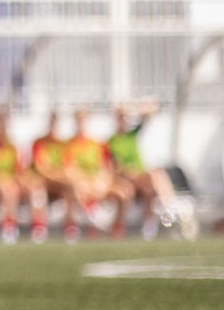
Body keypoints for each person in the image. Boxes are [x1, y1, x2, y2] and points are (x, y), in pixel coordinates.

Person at [0, 108, 47, 245]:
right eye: (0, 124)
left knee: (34, 188)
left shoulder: (13, 147)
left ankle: (38, 225)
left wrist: (28, 181)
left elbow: (20, 171)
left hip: (11, 184)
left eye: (5, 124)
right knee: (8, 190)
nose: (2, 128)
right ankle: (8, 226)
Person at [108, 101, 180, 240]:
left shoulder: (131, 135)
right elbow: (117, 168)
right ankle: (170, 207)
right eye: (121, 117)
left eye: (125, 117)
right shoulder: (113, 140)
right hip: (128, 178)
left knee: (150, 187)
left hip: (141, 177)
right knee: (155, 174)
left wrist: (133, 110)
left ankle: (151, 224)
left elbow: (152, 110)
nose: (124, 120)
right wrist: (131, 171)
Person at [64, 107, 133, 239]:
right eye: (78, 120)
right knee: (78, 191)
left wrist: (102, 181)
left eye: (83, 120)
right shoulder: (69, 145)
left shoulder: (96, 144)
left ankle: (117, 227)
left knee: (124, 191)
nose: (81, 123)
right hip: (83, 184)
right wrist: (88, 182)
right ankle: (87, 225)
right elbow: (70, 170)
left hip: (99, 183)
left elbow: (106, 168)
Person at [30, 110, 79, 243]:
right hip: (44, 181)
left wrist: (56, 173)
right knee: (37, 187)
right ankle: (39, 226)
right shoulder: (39, 143)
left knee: (70, 187)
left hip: (58, 182)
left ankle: (70, 225)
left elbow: (68, 168)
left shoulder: (62, 145)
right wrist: (57, 173)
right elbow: (41, 168)